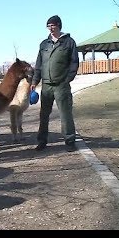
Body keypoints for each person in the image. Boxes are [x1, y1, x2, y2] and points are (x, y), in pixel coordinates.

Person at [31, 15, 79, 152]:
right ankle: (42, 141)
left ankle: (70, 142)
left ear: (59, 25)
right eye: (48, 26)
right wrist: (35, 81)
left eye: (53, 25)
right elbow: (38, 65)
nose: (51, 28)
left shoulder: (69, 42)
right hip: (46, 85)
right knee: (44, 115)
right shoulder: (44, 44)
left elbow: (74, 63)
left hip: (61, 85)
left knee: (66, 114)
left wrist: (67, 79)